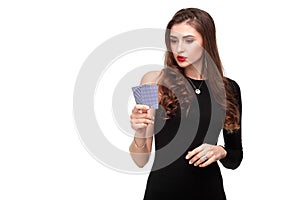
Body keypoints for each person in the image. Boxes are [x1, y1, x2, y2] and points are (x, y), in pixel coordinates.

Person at [129, 8, 242, 200]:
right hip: (162, 193)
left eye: (189, 41)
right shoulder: (152, 82)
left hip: (210, 193)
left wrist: (220, 151)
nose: (179, 48)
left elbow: (235, 157)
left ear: (207, 41)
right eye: (174, 40)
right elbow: (140, 160)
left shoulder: (229, 88)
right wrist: (140, 131)